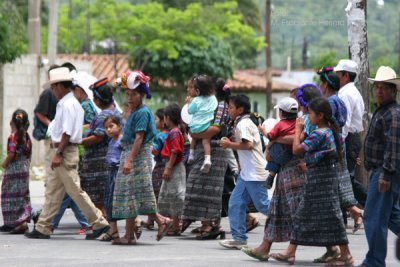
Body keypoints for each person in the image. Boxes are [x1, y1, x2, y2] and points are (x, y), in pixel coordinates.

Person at [24, 67, 110, 240]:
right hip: (62, 149)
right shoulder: (67, 103)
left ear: (61, 86)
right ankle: (43, 227)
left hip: (65, 150)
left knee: (75, 190)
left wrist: (59, 153)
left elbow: (68, 132)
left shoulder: (69, 104)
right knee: (54, 191)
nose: (53, 91)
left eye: (54, 87)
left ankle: (100, 223)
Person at [270, 97, 354, 266]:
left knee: (326, 216)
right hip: (324, 181)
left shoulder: (319, 134)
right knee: (309, 214)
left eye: (311, 114)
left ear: (320, 116)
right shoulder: (331, 132)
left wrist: (297, 131)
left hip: (319, 183)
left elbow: (296, 149)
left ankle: (346, 255)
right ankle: (291, 252)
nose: (308, 117)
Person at [112, 70, 172, 245]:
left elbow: (139, 138)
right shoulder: (134, 111)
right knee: (130, 195)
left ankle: (160, 221)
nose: (130, 97)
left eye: (134, 94)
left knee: (138, 194)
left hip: (137, 156)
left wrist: (130, 160)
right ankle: (130, 235)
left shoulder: (142, 113)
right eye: (128, 94)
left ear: (142, 94)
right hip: (130, 154)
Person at [359, 66, 400, 267]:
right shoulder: (384, 110)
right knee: (392, 216)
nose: (379, 91)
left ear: (394, 91)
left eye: (385, 87)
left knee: (373, 217)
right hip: (382, 170)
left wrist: (385, 173)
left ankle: (374, 262)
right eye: (377, 86)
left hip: (385, 172)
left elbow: (393, 146)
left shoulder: (393, 113)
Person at [180, 76, 231, 240]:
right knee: (196, 184)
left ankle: (209, 224)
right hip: (204, 148)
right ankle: (206, 222)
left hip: (215, 150)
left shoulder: (222, 106)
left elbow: (215, 129)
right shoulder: (206, 103)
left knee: (209, 189)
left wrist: (194, 133)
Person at [219, 94, 270, 249]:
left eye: (231, 107)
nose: (228, 110)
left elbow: (247, 145)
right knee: (235, 203)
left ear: (240, 109)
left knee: (263, 206)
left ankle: (298, 221)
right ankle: (239, 238)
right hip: (247, 174)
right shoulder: (242, 122)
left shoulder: (244, 124)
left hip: (254, 173)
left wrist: (229, 144)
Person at [80, 78, 120, 216]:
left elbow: (98, 136)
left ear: (97, 100)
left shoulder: (103, 116)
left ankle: (104, 225)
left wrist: (77, 141)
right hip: (109, 160)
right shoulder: (115, 112)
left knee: (98, 199)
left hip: (98, 162)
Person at [334, 59, 367, 210]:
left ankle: (371, 204)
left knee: (345, 179)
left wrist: (339, 144)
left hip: (347, 138)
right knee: (344, 178)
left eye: (338, 74)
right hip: (351, 138)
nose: (336, 78)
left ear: (346, 76)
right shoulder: (351, 92)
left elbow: (344, 123)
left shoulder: (346, 94)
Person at [0, 109, 32, 234]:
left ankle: (17, 223)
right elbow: (29, 153)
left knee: (9, 195)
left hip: (13, 170)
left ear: (12, 121)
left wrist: (4, 164)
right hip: (24, 169)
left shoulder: (13, 136)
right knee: (22, 196)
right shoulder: (26, 136)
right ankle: (18, 222)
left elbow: (11, 154)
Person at [157, 103, 186, 236]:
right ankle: (173, 224)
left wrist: (168, 168)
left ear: (168, 118)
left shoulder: (174, 132)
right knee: (171, 194)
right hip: (173, 166)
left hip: (174, 166)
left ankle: (175, 226)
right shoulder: (176, 131)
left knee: (175, 195)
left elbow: (175, 151)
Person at [260, 97, 298, 189]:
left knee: (274, 147)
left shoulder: (279, 125)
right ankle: (271, 177)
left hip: (281, 152)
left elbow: (270, 137)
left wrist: (263, 130)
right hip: (292, 152)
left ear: (280, 113)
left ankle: (271, 176)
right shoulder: (298, 122)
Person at [186, 74, 218, 173]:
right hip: (206, 125)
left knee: (194, 137)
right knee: (206, 141)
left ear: (198, 91)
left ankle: (191, 154)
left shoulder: (196, 100)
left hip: (195, 127)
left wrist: (189, 104)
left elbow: (190, 111)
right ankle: (207, 159)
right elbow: (215, 107)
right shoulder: (213, 98)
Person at [100, 115, 124, 242]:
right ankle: (113, 229)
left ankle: (135, 223)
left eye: (111, 126)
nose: (108, 130)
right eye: (106, 128)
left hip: (118, 173)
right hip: (110, 173)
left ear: (120, 126)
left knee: (118, 202)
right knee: (108, 202)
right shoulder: (111, 141)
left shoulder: (122, 140)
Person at [144, 108, 168, 230]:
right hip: (167, 165)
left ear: (163, 121)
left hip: (159, 167)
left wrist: (147, 145)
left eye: (156, 119)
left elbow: (155, 151)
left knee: (154, 192)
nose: (154, 121)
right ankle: (150, 220)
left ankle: (154, 219)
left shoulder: (160, 136)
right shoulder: (172, 133)